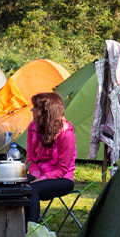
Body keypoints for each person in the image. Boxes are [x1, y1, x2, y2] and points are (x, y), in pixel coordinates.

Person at [25, 92, 76, 223]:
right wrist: (35, 175)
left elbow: (62, 169)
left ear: (45, 111)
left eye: (35, 107)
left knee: (32, 189)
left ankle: (31, 230)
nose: (32, 110)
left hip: (62, 178)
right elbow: (31, 157)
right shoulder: (33, 127)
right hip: (40, 174)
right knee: (15, 182)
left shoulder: (67, 135)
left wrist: (41, 179)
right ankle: (14, 226)